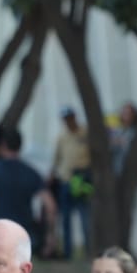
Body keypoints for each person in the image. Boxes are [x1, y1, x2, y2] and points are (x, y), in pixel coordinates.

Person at [0, 128, 55, 253]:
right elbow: (50, 205)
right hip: (23, 236)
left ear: (3, 145)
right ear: (20, 146)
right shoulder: (31, 173)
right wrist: (49, 236)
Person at [49, 108, 91, 259]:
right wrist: (52, 174)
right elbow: (57, 158)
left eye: (70, 118)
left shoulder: (85, 133)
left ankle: (88, 250)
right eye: (65, 119)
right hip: (65, 179)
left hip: (81, 179)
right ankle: (67, 251)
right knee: (65, 217)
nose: (68, 121)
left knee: (84, 214)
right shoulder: (62, 136)